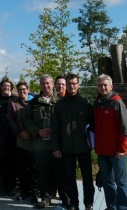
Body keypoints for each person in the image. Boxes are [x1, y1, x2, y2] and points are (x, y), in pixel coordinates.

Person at [22, 75, 69, 209]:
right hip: (40, 145)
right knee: (42, 172)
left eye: (48, 83)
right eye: (43, 83)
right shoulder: (34, 102)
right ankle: (45, 197)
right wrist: (37, 131)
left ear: (53, 84)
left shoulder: (61, 100)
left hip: (57, 144)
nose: (45, 86)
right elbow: (26, 119)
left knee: (60, 172)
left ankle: (64, 197)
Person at [51, 73, 95, 210]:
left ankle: (88, 203)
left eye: (74, 83)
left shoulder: (85, 103)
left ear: (78, 85)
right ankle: (74, 203)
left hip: (83, 147)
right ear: (66, 85)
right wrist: (56, 147)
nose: (72, 86)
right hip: (66, 148)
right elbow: (55, 128)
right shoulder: (59, 105)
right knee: (69, 179)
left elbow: (93, 126)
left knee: (87, 178)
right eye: (69, 83)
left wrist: (93, 144)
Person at [93, 74, 127, 210]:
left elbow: (125, 127)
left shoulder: (117, 102)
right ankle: (111, 206)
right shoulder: (97, 104)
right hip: (102, 151)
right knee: (107, 180)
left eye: (105, 85)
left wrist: (122, 148)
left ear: (111, 86)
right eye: (100, 85)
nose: (103, 87)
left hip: (117, 151)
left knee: (120, 182)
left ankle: (122, 207)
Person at [7, 81, 40, 203]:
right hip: (20, 140)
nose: (22, 92)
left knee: (34, 168)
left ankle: (35, 192)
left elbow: (37, 120)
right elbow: (10, 120)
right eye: (20, 89)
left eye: (24, 89)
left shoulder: (35, 102)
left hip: (33, 139)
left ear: (28, 89)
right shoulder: (13, 103)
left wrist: (31, 132)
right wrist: (20, 132)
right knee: (21, 168)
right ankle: (24, 191)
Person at [0, 77, 17, 197]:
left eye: (8, 86)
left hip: (12, 135)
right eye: (4, 86)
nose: (6, 88)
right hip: (1, 135)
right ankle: (3, 186)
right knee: (2, 163)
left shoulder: (14, 100)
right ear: (1, 87)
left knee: (13, 162)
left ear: (11, 88)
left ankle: (12, 187)